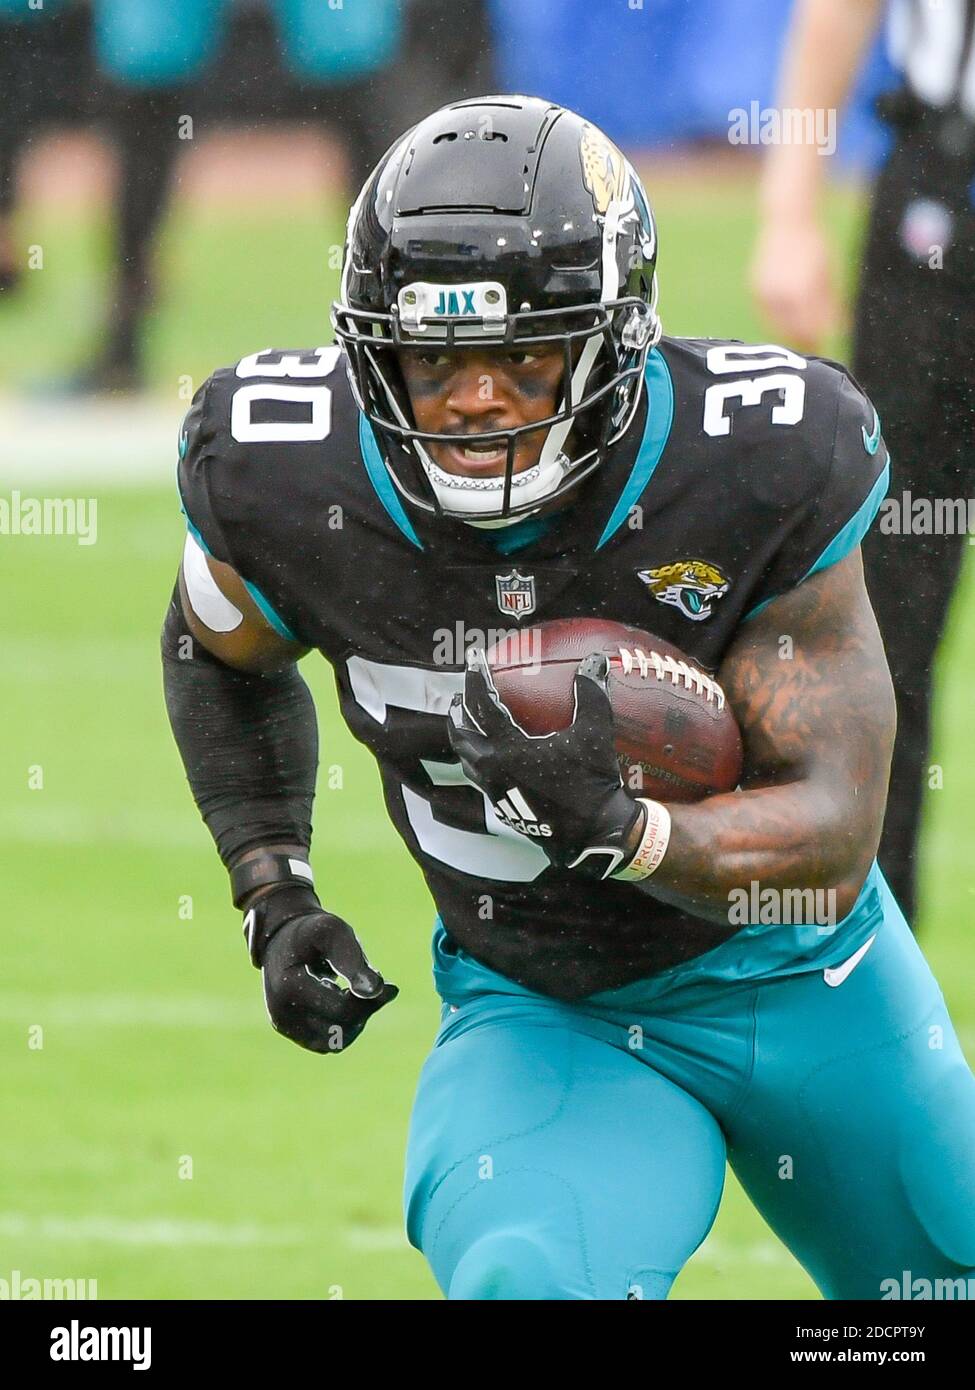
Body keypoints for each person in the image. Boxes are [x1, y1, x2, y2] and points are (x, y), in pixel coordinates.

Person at [162, 96, 975, 1299]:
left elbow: (838, 827)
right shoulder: (285, 470)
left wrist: (629, 832)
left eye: (523, 353)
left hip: (804, 974)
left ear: (613, 340)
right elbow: (212, 654)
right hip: (549, 1006)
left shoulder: (754, 461)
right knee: (533, 1281)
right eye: (432, 359)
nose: (475, 398)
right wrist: (272, 887)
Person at [751, 0, 975, 926]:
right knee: (881, 616)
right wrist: (789, 209)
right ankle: (866, 956)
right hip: (940, 199)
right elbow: (837, 10)